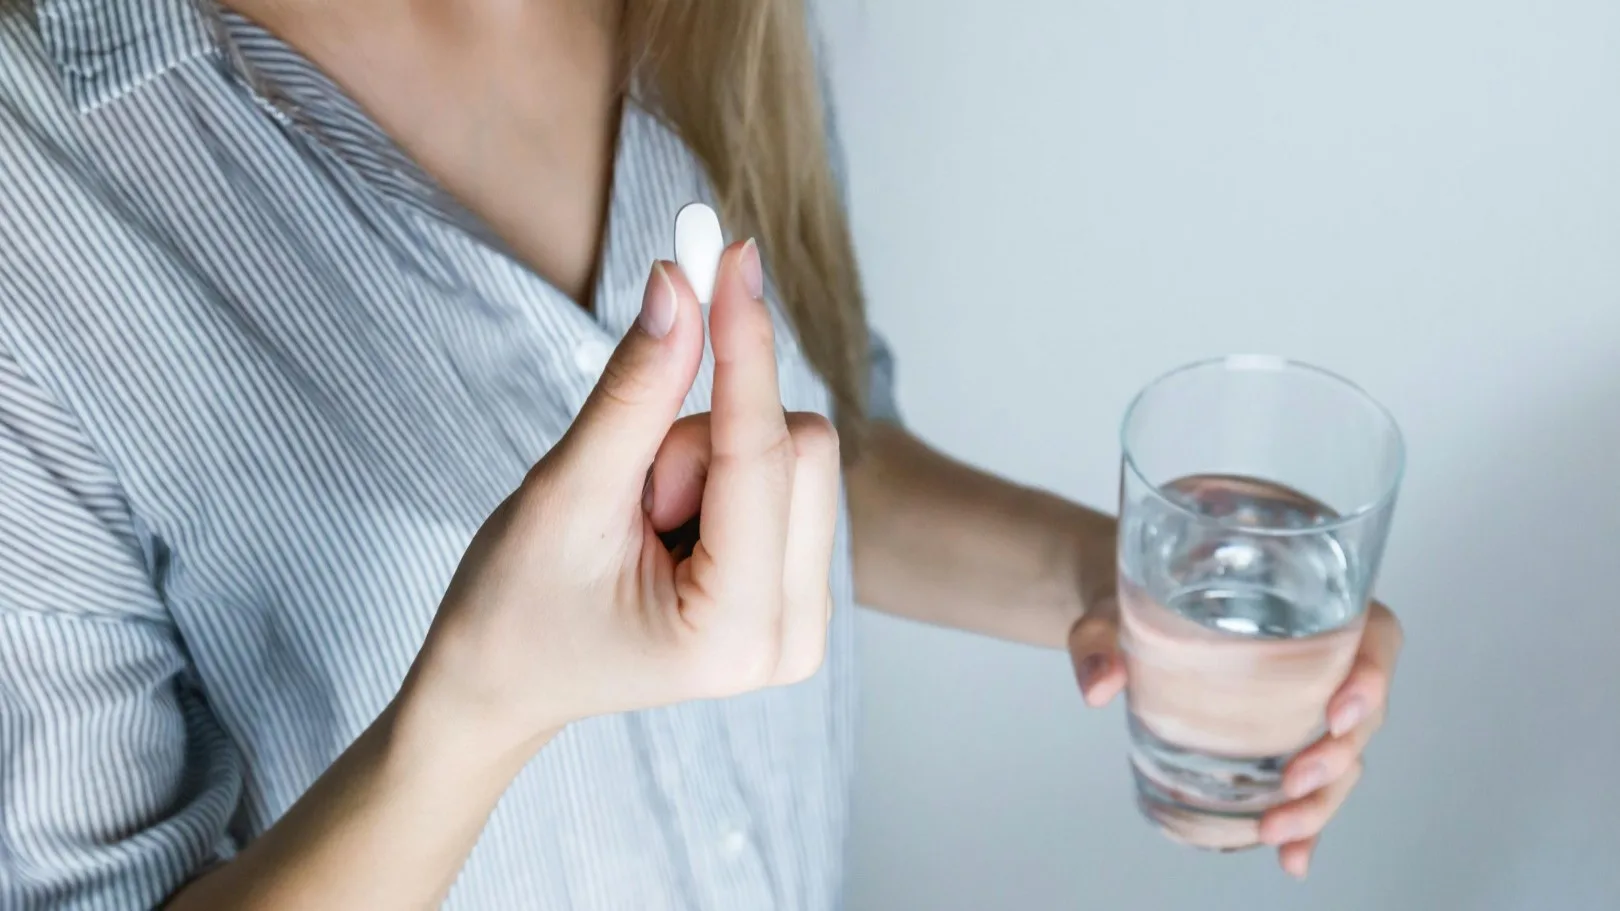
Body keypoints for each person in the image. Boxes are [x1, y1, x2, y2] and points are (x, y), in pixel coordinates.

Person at [0, 1, 1404, 907]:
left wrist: (1117, 581)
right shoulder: (40, 182)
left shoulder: (713, 18)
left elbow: (812, 460)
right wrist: (482, 702)